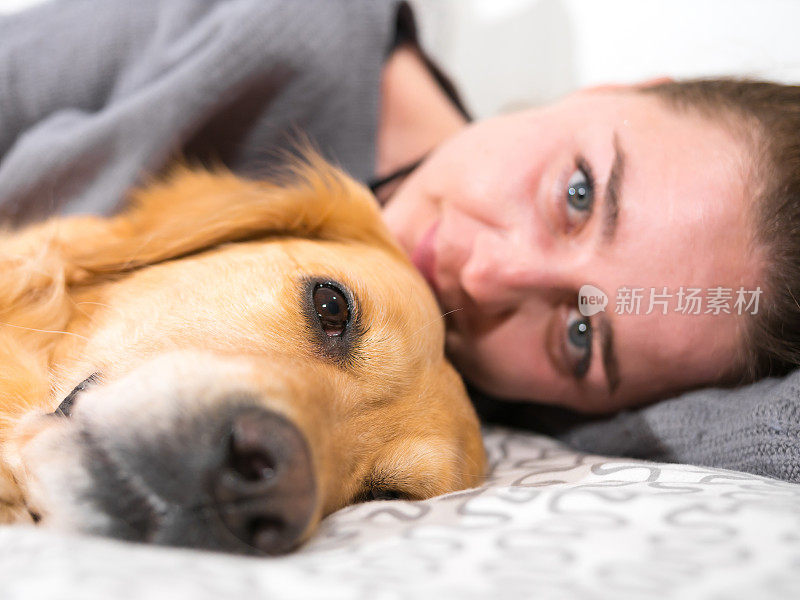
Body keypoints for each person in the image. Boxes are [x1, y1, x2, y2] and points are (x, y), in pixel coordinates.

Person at [1, 0, 798, 480]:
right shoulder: (282, 23)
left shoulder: (473, 410)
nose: (488, 275)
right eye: (579, 193)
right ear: (612, 90)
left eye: (581, 333)